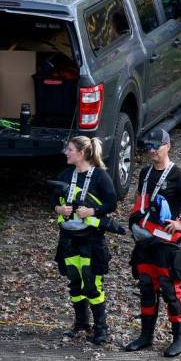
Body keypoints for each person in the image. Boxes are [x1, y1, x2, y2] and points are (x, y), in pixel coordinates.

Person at [125, 129, 181, 357]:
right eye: (149, 147)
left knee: (170, 290)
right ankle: (145, 336)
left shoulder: (179, 175)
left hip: (166, 245)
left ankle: (179, 338)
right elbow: (140, 203)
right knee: (147, 287)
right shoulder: (145, 173)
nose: (152, 151)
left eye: (156, 146)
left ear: (168, 145)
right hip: (145, 243)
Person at [51, 136, 118, 345]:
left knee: (92, 282)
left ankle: (101, 328)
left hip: (91, 240)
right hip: (69, 239)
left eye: (69, 149)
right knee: (74, 280)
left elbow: (112, 203)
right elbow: (53, 199)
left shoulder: (100, 176)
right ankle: (81, 323)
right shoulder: (65, 175)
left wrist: (93, 210)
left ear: (81, 153)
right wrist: (59, 209)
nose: (66, 153)